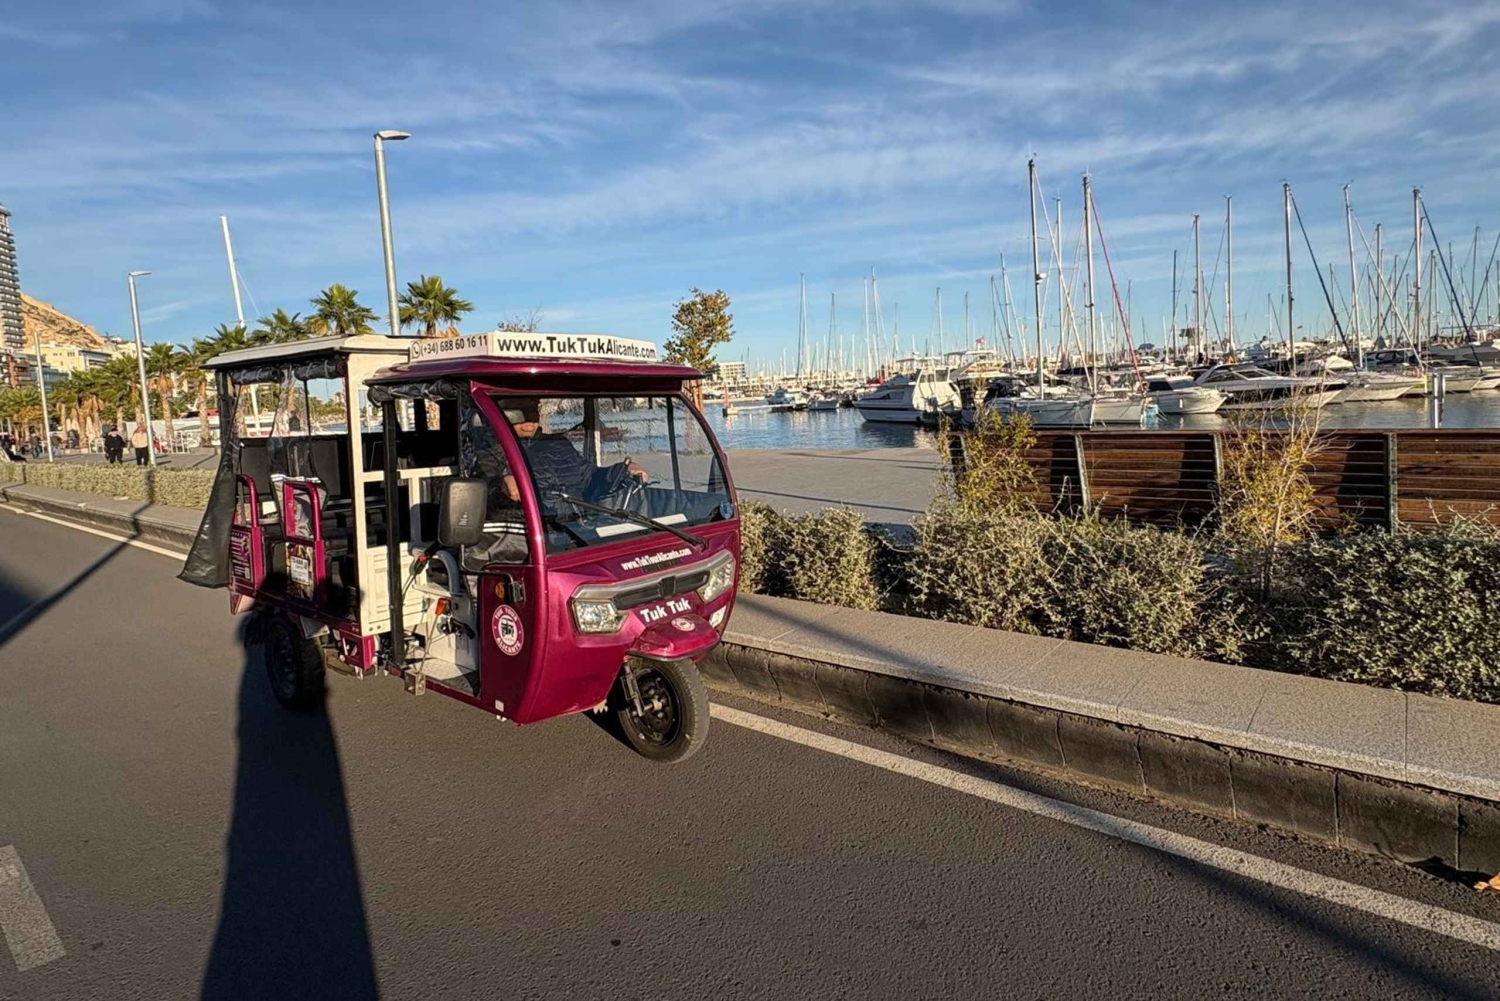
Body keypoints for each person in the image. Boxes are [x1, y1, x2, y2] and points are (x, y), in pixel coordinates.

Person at [501, 400, 648, 505]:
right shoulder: (488, 449)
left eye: (533, 410)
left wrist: (622, 470)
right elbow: (481, 490)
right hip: (524, 534)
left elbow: (589, 476)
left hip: (574, 527)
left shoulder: (558, 444)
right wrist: (500, 484)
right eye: (519, 411)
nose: (530, 420)